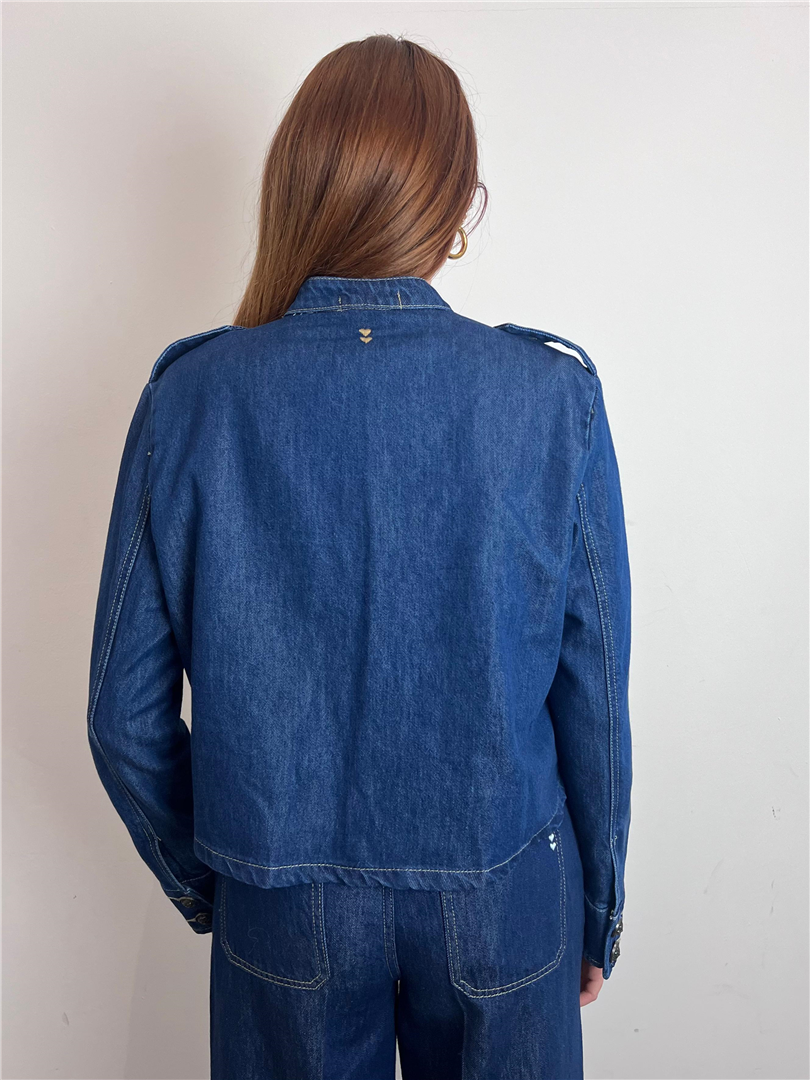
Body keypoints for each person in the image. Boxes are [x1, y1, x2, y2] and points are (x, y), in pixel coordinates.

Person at [86, 33, 632, 1080]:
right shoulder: (549, 397)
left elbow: (123, 715)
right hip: (505, 890)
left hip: (281, 900)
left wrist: (217, 878)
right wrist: (598, 907)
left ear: (300, 185)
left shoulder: (191, 398)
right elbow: (593, 694)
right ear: (455, 205)